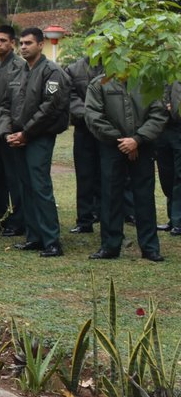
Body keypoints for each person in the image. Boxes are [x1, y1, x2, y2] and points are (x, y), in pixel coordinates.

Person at [0, 28, 70, 258]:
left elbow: (50, 107)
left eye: (28, 43)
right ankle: (34, 236)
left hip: (38, 137)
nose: (23, 47)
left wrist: (26, 134)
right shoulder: (19, 72)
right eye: (21, 43)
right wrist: (7, 131)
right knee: (25, 187)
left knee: (40, 187)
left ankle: (52, 240)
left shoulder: (52, 71)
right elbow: (5, 105)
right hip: (18, 137)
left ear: (41, 45)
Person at [84, 76, 168, 261]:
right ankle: (110, 246)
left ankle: (150, 247)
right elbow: (93, 115)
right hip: (112, 146)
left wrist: (137, 140)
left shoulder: (148, 81)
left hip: (143, 147)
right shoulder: (99, 84)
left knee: (144, 196)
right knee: (111, 195)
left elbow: (159, 113)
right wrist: (122, 142)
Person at [0, 26, 24, 236]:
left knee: (13, 178)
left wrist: (0, 128)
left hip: (9, 130)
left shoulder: (20, 67)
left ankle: (18, 220)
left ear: (12, 43)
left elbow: (16, 103)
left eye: (2, 40)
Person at [65, 56, 103, 234]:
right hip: (83, 129)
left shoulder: (115, 66)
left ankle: (108, 216)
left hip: (107, 131)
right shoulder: (74, 69)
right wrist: (91, 116)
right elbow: (70, 96)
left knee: (109, 176)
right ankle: (84, 219)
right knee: (84, 175)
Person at [159, 81, 181, 236]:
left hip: (178, 128)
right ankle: (172, 218)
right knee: (166, 175)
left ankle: (178, 220)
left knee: (179, 177)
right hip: (163, 130)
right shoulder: (159, 70)